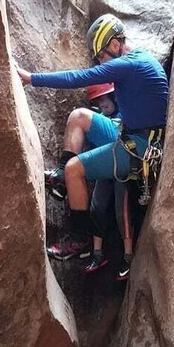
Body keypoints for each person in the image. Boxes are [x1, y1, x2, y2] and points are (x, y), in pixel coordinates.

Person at [17, 14, 169, 278]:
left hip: (139, 148)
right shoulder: (138, 59)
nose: (100, 62)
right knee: (79, 116)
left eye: (101, 55)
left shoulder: (127, 64)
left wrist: (31, 78)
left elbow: (79, 77)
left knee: (76, 168)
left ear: (113, 44)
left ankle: (80, 239)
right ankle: (63, 181)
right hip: (128, 131)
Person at [47, 83, 134, 280]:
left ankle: (128, 257)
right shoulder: (101, 123)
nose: (102, 104)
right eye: (98, 101)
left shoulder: (123, 114)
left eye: (105, 99)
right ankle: (96, 254)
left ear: (114, 96)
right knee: (97, 207)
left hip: (123, 164)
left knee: (123, 211)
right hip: (106, 167)